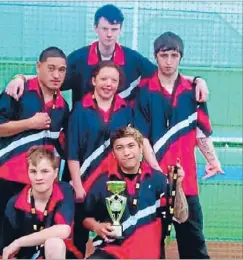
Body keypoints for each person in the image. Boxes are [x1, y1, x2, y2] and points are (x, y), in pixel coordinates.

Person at [5, 4, 209, 105]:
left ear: (120, 29)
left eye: (114, 29)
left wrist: (198, 80)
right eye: (104, 29)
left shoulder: (133, 60)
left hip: (120, 134)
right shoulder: (78, 58)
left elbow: (165, 74)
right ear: (95, 28)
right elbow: (52, 79)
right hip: (83, 132)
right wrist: (21, 77)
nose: (109, 34)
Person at [134, 31, 223, 259]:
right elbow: (142, 138)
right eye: (164, 55)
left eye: (174, 55)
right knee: (152, 249)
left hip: (187, 183)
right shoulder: (145, 90)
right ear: (156, 56)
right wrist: (157, 173)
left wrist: (212, 160)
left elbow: (201, 132)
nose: (169, 61)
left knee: (194, 248)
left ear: (181, 57)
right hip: (154, 183)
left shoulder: (193, 91)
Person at [0, 46, 70, 239]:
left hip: (41, 183)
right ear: (38, 67)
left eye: (61, 70)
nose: (56, 75)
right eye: (51, 68)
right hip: (8, 177)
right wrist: (30, 123)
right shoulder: (18, 91)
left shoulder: (63, 106)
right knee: (4, 238)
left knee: (35, 238)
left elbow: (60, 146)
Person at [82, 126, 189, 259]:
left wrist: (177, 185)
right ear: (114, 154)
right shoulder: (103, 182)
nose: (126, 152)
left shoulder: (158, 180)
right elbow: (85, 217)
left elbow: (181, 216)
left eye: (131, 146)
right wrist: (97, 226)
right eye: (119, 148)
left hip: (148, 255)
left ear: (140, 148)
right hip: (111, 252)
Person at [64, 60, 135, 258]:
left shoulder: (126, 110)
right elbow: (72, 152)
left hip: (114, 186)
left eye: (114, 80)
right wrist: (78, 186)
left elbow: (130, 149)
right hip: (83, 186)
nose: (108, 84)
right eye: (104, 78)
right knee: (76, 239)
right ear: (94, 80)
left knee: (113, 239)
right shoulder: (80, 110)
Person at [0, 146, 77, 259]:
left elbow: (63, 230)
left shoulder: (65, 191)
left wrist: (19, 242)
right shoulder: (15, 203)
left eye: (45, 171)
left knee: (54, 243)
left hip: (63, 255)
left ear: (55, 173)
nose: (39, 177)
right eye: (33, 171)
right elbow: (6, 249)